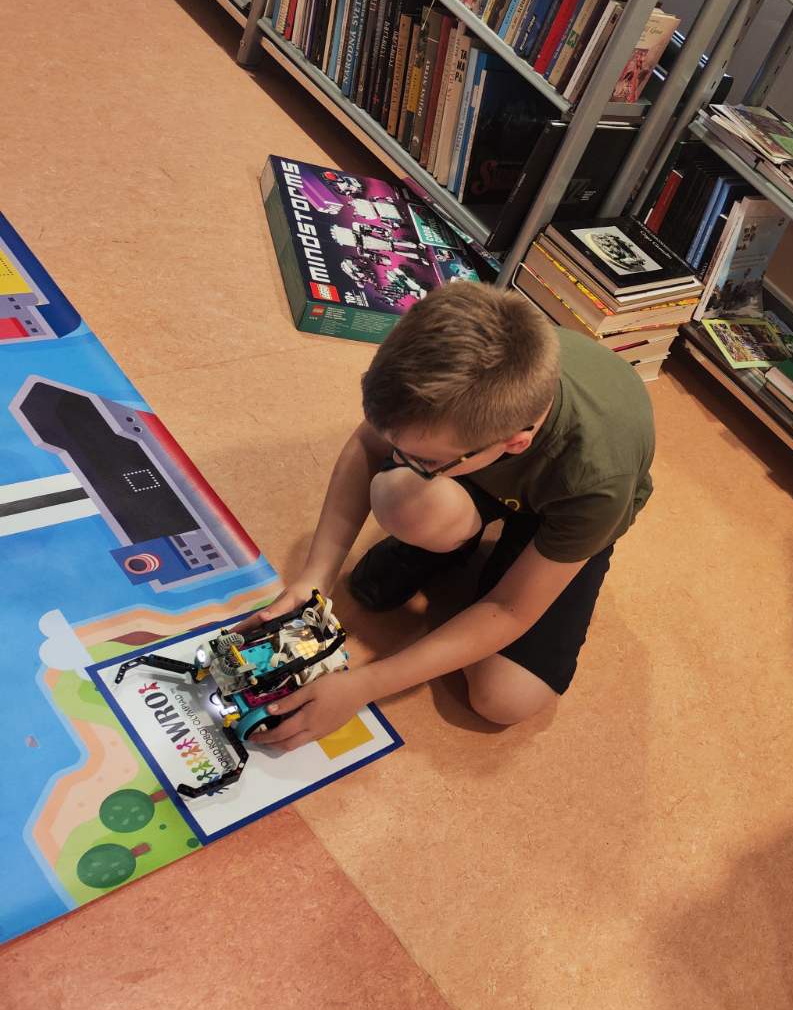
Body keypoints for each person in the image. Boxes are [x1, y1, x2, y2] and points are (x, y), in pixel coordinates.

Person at [234, 281, 654, 749]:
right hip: (479, 462)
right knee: (401, 498)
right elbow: (368, 444)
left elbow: (509, 610)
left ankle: (464, 546)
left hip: (559, 510)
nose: (399, 457)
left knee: (504, 699)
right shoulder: (447, 379)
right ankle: (449, 541)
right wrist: (313, 580)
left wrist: (363, 685)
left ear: (514, 443)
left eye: (423, 460)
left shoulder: (596, 482)